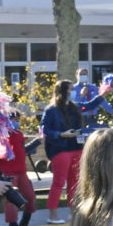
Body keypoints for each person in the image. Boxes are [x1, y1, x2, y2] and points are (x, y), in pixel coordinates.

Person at [41, 85, 88, 213]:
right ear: (61, 92)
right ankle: (52, 214)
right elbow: (45, 130)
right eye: (70, 89)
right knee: (59, 182)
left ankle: (73, 212)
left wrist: (103, 93)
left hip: (76, 148)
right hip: (60, 149)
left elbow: (89, 106)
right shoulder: (51, 110)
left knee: (75, 182)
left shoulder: (74, 107)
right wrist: (61, 134)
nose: (72, 92)